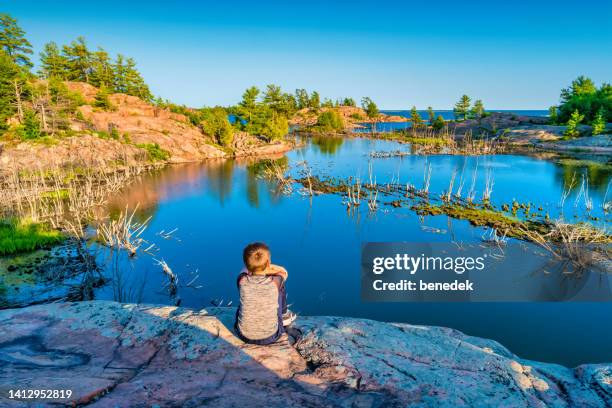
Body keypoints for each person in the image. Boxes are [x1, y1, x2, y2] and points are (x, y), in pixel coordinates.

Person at [234, 242, 296, 345]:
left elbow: (244, 270)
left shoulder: (241, 280)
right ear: (268, 263)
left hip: (243, 335)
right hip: (271, 336)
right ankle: (284, 315)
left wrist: (255, 266)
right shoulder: (276, 281)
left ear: (246, 264)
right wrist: (268, 267)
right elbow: (284, 272)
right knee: (280, 288)